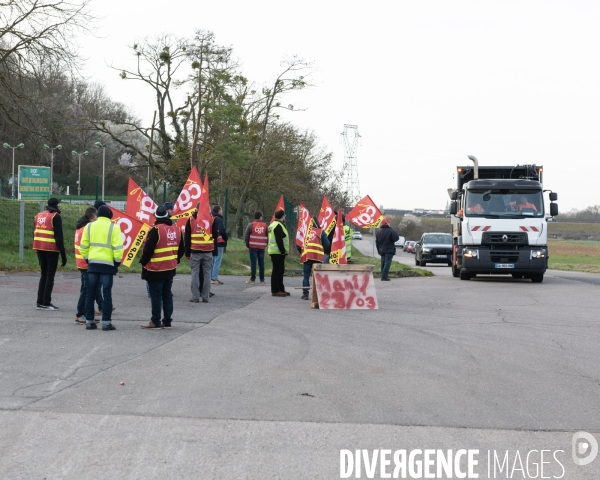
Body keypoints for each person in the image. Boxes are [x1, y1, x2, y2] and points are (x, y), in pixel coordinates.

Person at [79, 205, 124, 331]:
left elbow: (83, 246)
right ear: (110, 216)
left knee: (90, 293)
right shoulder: (114, 228)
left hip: (93, 264)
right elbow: (118, 248)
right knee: (107, 294)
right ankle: (106, 323)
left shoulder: (89, 226)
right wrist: (116, 263)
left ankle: (89, 322)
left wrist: (88, 259)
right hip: (108, 266)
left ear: (98, 215)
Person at [139, 206, 184, 329]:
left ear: (156, 217)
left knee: (156, 296)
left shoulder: (156, 230)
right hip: (170, 268)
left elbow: (148, 250)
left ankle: (155, 321)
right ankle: (167, 321)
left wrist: (143, 262)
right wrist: (175, 260)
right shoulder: (177, 229)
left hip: (155, 269)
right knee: (167, 295)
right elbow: (181, 250)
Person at [34, 197, 67, 310]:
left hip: (39, 248)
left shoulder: (39, 215)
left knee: (44, 274)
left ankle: (40, 301)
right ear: (57, 205)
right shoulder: (55, 217)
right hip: (51, 249)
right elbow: (59, 236)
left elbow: (35, 232)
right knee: (50, 275)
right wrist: (63, 254)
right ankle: (46, 302)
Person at [74, 206, 101, 325]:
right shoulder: (87, 228)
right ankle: (80, 314)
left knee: (85, 289)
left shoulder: (81, 226)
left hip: (81, 262)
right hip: (86, 263)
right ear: (94, 216)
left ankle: (85, 314)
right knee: (86, 290)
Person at [185, 203, 217, 303]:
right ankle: (205, 296)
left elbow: (187, 237)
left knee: (195, 273)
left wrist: (187, 252)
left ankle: (195, 297)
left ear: (197, 208)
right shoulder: (211, 220)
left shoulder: (191, 219)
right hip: (208, 250)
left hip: (195, 250)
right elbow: (215, 235)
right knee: (207, 274)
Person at [298, 217, 329, 300]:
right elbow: (327, 244)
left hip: (307, 257)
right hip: (317, 257)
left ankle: (305, 294)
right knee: (317, 276)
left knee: (306, 276)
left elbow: (298, 244)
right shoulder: (320, 232)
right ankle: (318, 294)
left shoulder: (305, 232)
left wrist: (302, 253)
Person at [268, 209, 290, 297]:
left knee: (280, 271)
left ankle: (281, 288)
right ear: (282, 216)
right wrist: (283, 251)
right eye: (284, 216)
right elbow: (279, 240)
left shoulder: (273, 224)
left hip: (275, 251)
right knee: (277, 271)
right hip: (278, 252)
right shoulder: (278, 225)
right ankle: (276, 290)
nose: (285, 217)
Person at [244, 211, 268, 284]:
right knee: (261, 264)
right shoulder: (265, 225)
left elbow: (246, 236)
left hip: (253, 247)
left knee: (253, 263)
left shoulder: (251, 225)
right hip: (261, 247)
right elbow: (267, 236)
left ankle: (252, 279)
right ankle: (262, 280)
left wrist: (248, 244)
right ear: (260, 217)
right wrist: (265, 244)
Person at [210, 205, 227, 285]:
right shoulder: (219, 219)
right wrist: (226, 237)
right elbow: (222, 230)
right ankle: (214, 278)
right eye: (221, 209)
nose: (222, 211)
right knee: (217, 261)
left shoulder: (211, 218)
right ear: (218, 210)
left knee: (213, 261)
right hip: (219, 242)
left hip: (212, 242)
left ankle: (211, 277)